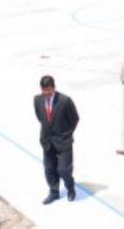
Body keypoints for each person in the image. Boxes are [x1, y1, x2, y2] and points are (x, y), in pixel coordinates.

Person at [34, 75, 80, 204]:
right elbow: (40, 117)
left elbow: (74, 119)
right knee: (49, 169)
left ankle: (70, 188)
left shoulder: (65, 101)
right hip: (47, 142)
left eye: (49, 90)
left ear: (54, 88)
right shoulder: (37, 100)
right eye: (44, 90)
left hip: (63, 141)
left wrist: (66, 134)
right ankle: (54, 192)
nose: (46, 93)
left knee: (64, 169)